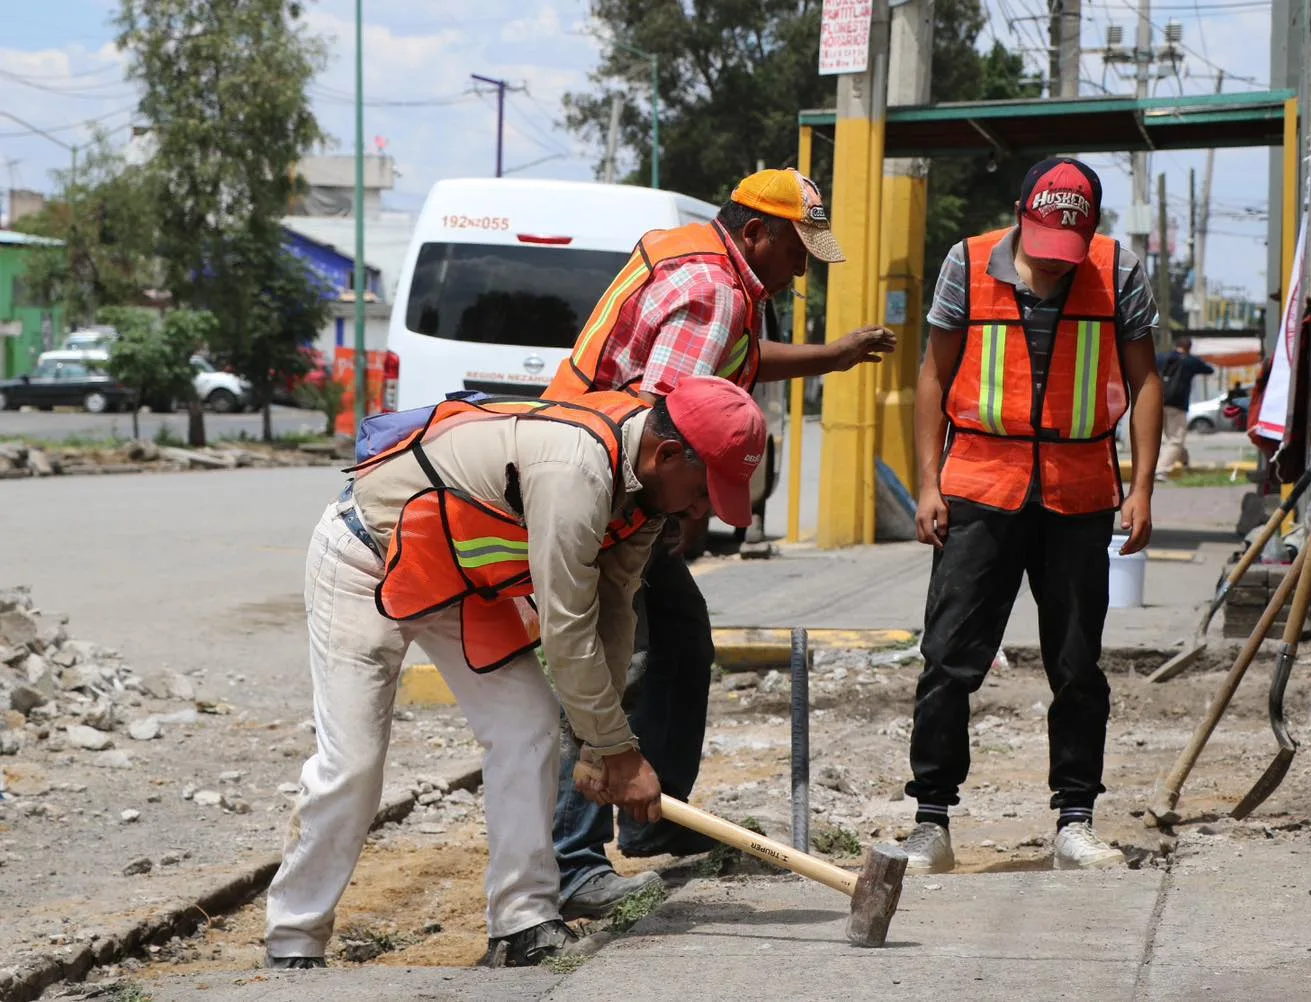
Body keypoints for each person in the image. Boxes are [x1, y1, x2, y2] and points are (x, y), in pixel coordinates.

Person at [263, 376, 769, 969]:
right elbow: (566, 625)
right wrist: (620, 751)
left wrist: (596, 746)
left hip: (460, 583)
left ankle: (523, 920)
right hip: (368, 559)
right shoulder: (576, 473)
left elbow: (614, 609)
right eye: (704, 488)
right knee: (354, 761)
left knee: (529, 724)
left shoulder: (649, 495)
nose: (703, 508)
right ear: (668, 454)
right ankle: (294, 941)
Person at [543, 167, 897, 920]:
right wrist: (677, 511)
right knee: (614, 656)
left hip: (602, 476)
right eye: (797, 249)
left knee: (672, 638)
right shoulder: (715, 290)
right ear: (754, 233)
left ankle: (646, 817)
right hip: (608, 491)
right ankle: (575, 859)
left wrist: (830, 357)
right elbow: (672, 416)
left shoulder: (715, 273)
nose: (804, 266)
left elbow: (730, 364)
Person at [901, 156, 1163, 874]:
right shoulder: (967, 262)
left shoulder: (1119, 270)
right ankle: (932, 821)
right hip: (980, 485)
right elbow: (935, 373)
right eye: (1044, 253)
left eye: (1066, 258)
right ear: (1021, 213)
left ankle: (1075, 820)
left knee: (1077, 665)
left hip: (1080, 493)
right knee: (949, 659)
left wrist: (1141, 487)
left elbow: (1144, 379)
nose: (1055, 269)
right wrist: (929, 485)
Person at [1156, 335, 1215, 478]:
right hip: (1177, 404)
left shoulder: (1161, 358)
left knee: (1170, 437)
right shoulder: (1190, 361)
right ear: (1189, 347)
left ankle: (1185, 462)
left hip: (1158, 401)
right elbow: (1209, 370)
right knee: (1176, 439)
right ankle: (1161, 470)